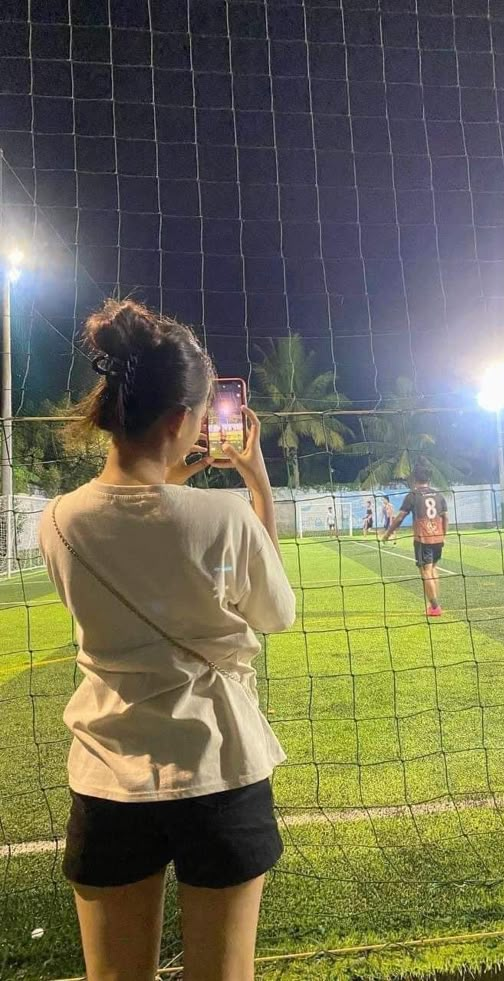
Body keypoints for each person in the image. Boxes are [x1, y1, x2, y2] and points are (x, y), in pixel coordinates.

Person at [38, 299, 295, 981]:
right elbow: (277, 611)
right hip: (220, 764)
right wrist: (255, 477)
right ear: (185, 419)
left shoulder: (58, 521)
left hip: (107, 773)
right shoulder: (223, 516)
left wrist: (166, 477)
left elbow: (137, 521)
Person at [383, 464, 448, 617]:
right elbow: (445, 517)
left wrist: (388, 534)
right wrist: (443, 535)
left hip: (423, 538)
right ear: (429, 478)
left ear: (414, 479)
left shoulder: (413, 495)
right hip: (437, 537)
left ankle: (434, 607)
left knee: (425, 571)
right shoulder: (438, 495)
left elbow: (399, 518)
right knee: (433, 569)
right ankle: (433, 603)